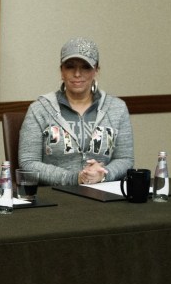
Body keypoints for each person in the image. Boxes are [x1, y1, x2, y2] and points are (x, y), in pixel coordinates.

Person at [18, 38, 133, 185]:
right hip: (56, 197)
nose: (77, 73)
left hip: (106, 195)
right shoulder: (39, 109)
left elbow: (125, 159)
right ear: (61, 71)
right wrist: (74, 178)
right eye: (70, 67)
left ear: (96, 70)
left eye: (85, 67)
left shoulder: (117, 108)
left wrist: (103, 174)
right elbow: (28, 163)